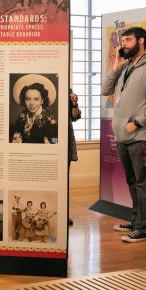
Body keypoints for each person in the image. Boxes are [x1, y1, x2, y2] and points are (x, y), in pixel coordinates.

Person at [101, 26, 146, 242]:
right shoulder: (126, 66)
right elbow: (105, 90)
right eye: (123, 41)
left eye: (128, 40)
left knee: (143, 181)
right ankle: (137, 218)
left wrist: (137, 122)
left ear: (141, 41)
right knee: (132, 180)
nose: (124, 44)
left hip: (142, 136)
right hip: (122, 136)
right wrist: (116, 67)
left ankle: (145, 228)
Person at [67, 89, 82, 226]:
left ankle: (64, 214)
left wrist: (75, 103)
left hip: (65, 141)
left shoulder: (68, 90)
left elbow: (74, 117)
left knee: (64, 180)